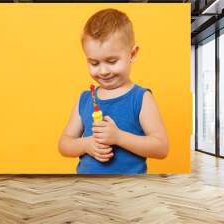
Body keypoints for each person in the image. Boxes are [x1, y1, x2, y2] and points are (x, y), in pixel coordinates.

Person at [58, 8, 169, 174]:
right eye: (94, 63)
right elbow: (64, 144)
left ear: (132, 54)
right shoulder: (86, 99)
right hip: (88, 190)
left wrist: (119, 137)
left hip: (128, 191)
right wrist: (85, 144)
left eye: (111, 61)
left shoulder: (141, 98)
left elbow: (161, 148)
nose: (103, 71)